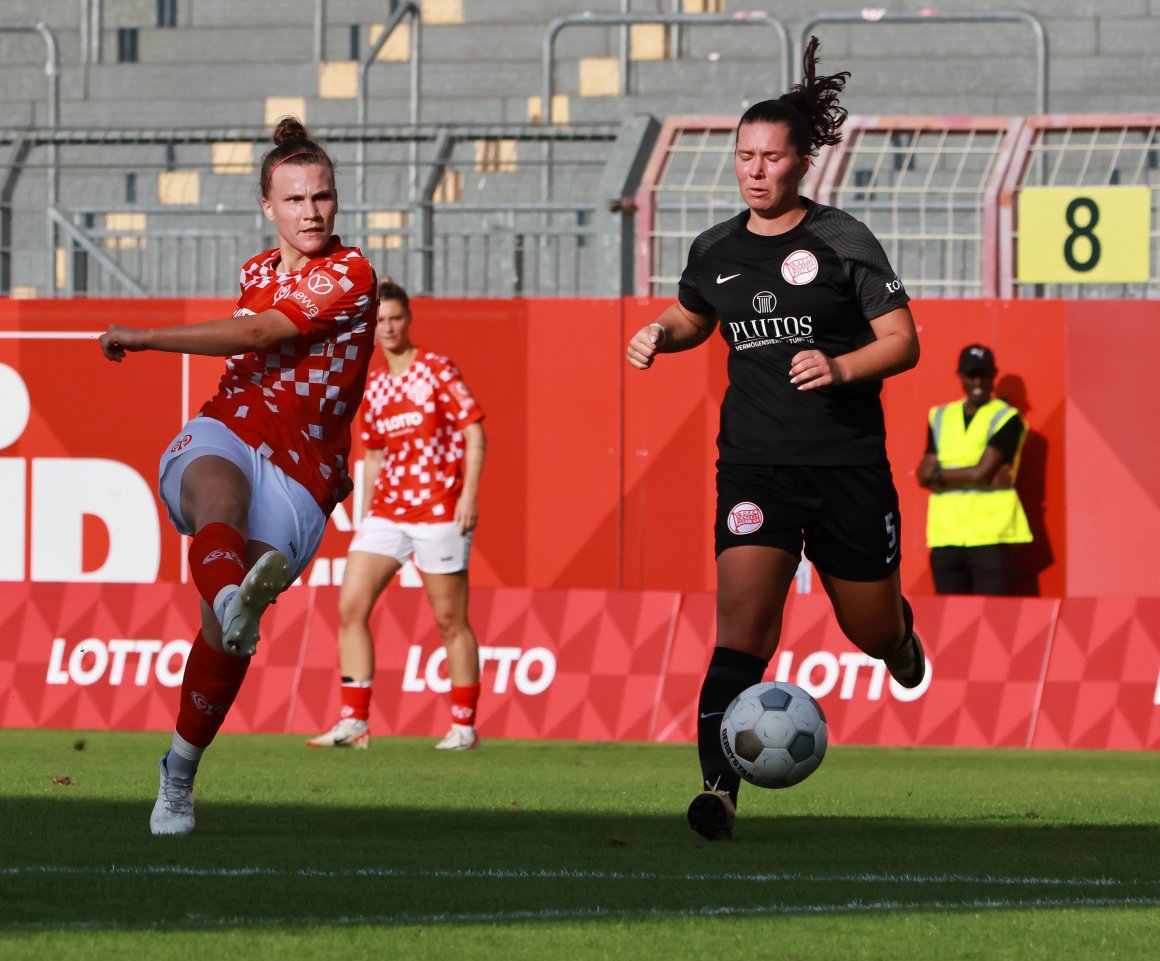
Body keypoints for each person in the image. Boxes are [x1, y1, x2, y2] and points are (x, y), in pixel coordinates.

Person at [625, 37, 925, 841]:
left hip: (848, 467)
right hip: (755, 466)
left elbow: (903, 341)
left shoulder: (842, 240)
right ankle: (717, 792)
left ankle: (898, 638)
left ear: (802, 165)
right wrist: (661, 331)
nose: (754, 170)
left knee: (869, 629)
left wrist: (841, 364)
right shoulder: (716, 249)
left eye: (770, 157)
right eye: (743, 156)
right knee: (742, 633)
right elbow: (696, 315)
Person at [98, 118, 378, 835]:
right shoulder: (258, 270)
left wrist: (146, 335)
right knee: (216, 495)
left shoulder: (350, 273)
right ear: (268, 207)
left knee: (220, 640)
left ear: (336, 201)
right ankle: (232, 596)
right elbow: (252, 354)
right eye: (293, 200)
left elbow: (258, 334)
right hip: (229, 427)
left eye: (321, 197)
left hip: (301, 472)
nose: (309, 211)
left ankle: (178, 772)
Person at [308, 279, 487, 752]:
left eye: (395, 318)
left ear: (408, 320)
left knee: (450, 619)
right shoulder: (377, 383)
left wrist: (468, 496)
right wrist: (364, 516)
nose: (387, 327)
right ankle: (354, 723)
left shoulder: (435, 370)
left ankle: (464, 726)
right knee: (350, 606)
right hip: (388, 512)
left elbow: (473, 431)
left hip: (438, 509)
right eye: (379, 321)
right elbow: (374, 454)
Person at [917, 344, 1032, 595]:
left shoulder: (1006, 417)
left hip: (991, 535)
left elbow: (982, 473)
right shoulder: (940, 416)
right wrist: (973, 475)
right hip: (946, 535)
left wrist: (941, 475)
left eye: (983, 374)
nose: (977, 381)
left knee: (991, 622)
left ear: (994, 375)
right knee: (950, 624)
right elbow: (924, 475)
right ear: (959, 375)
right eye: (971, 374)